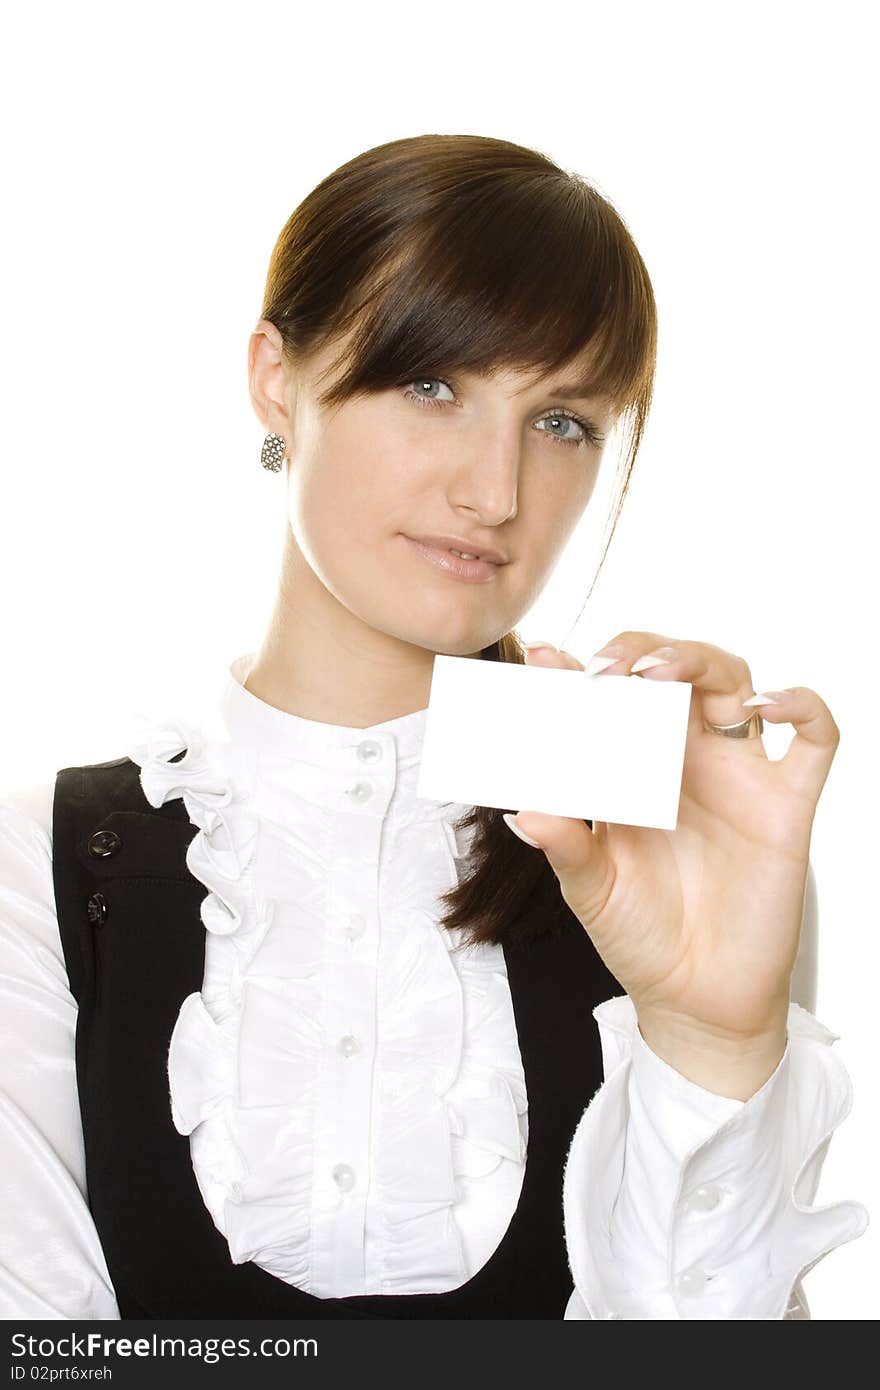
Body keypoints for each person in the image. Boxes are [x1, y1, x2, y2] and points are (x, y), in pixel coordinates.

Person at [0, 133, 868, 1321]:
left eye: (561, 421)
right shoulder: (42, 859)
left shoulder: (662, 850)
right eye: (431, 385)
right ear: (274, 377)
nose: (496, 492)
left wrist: (711, 1042)